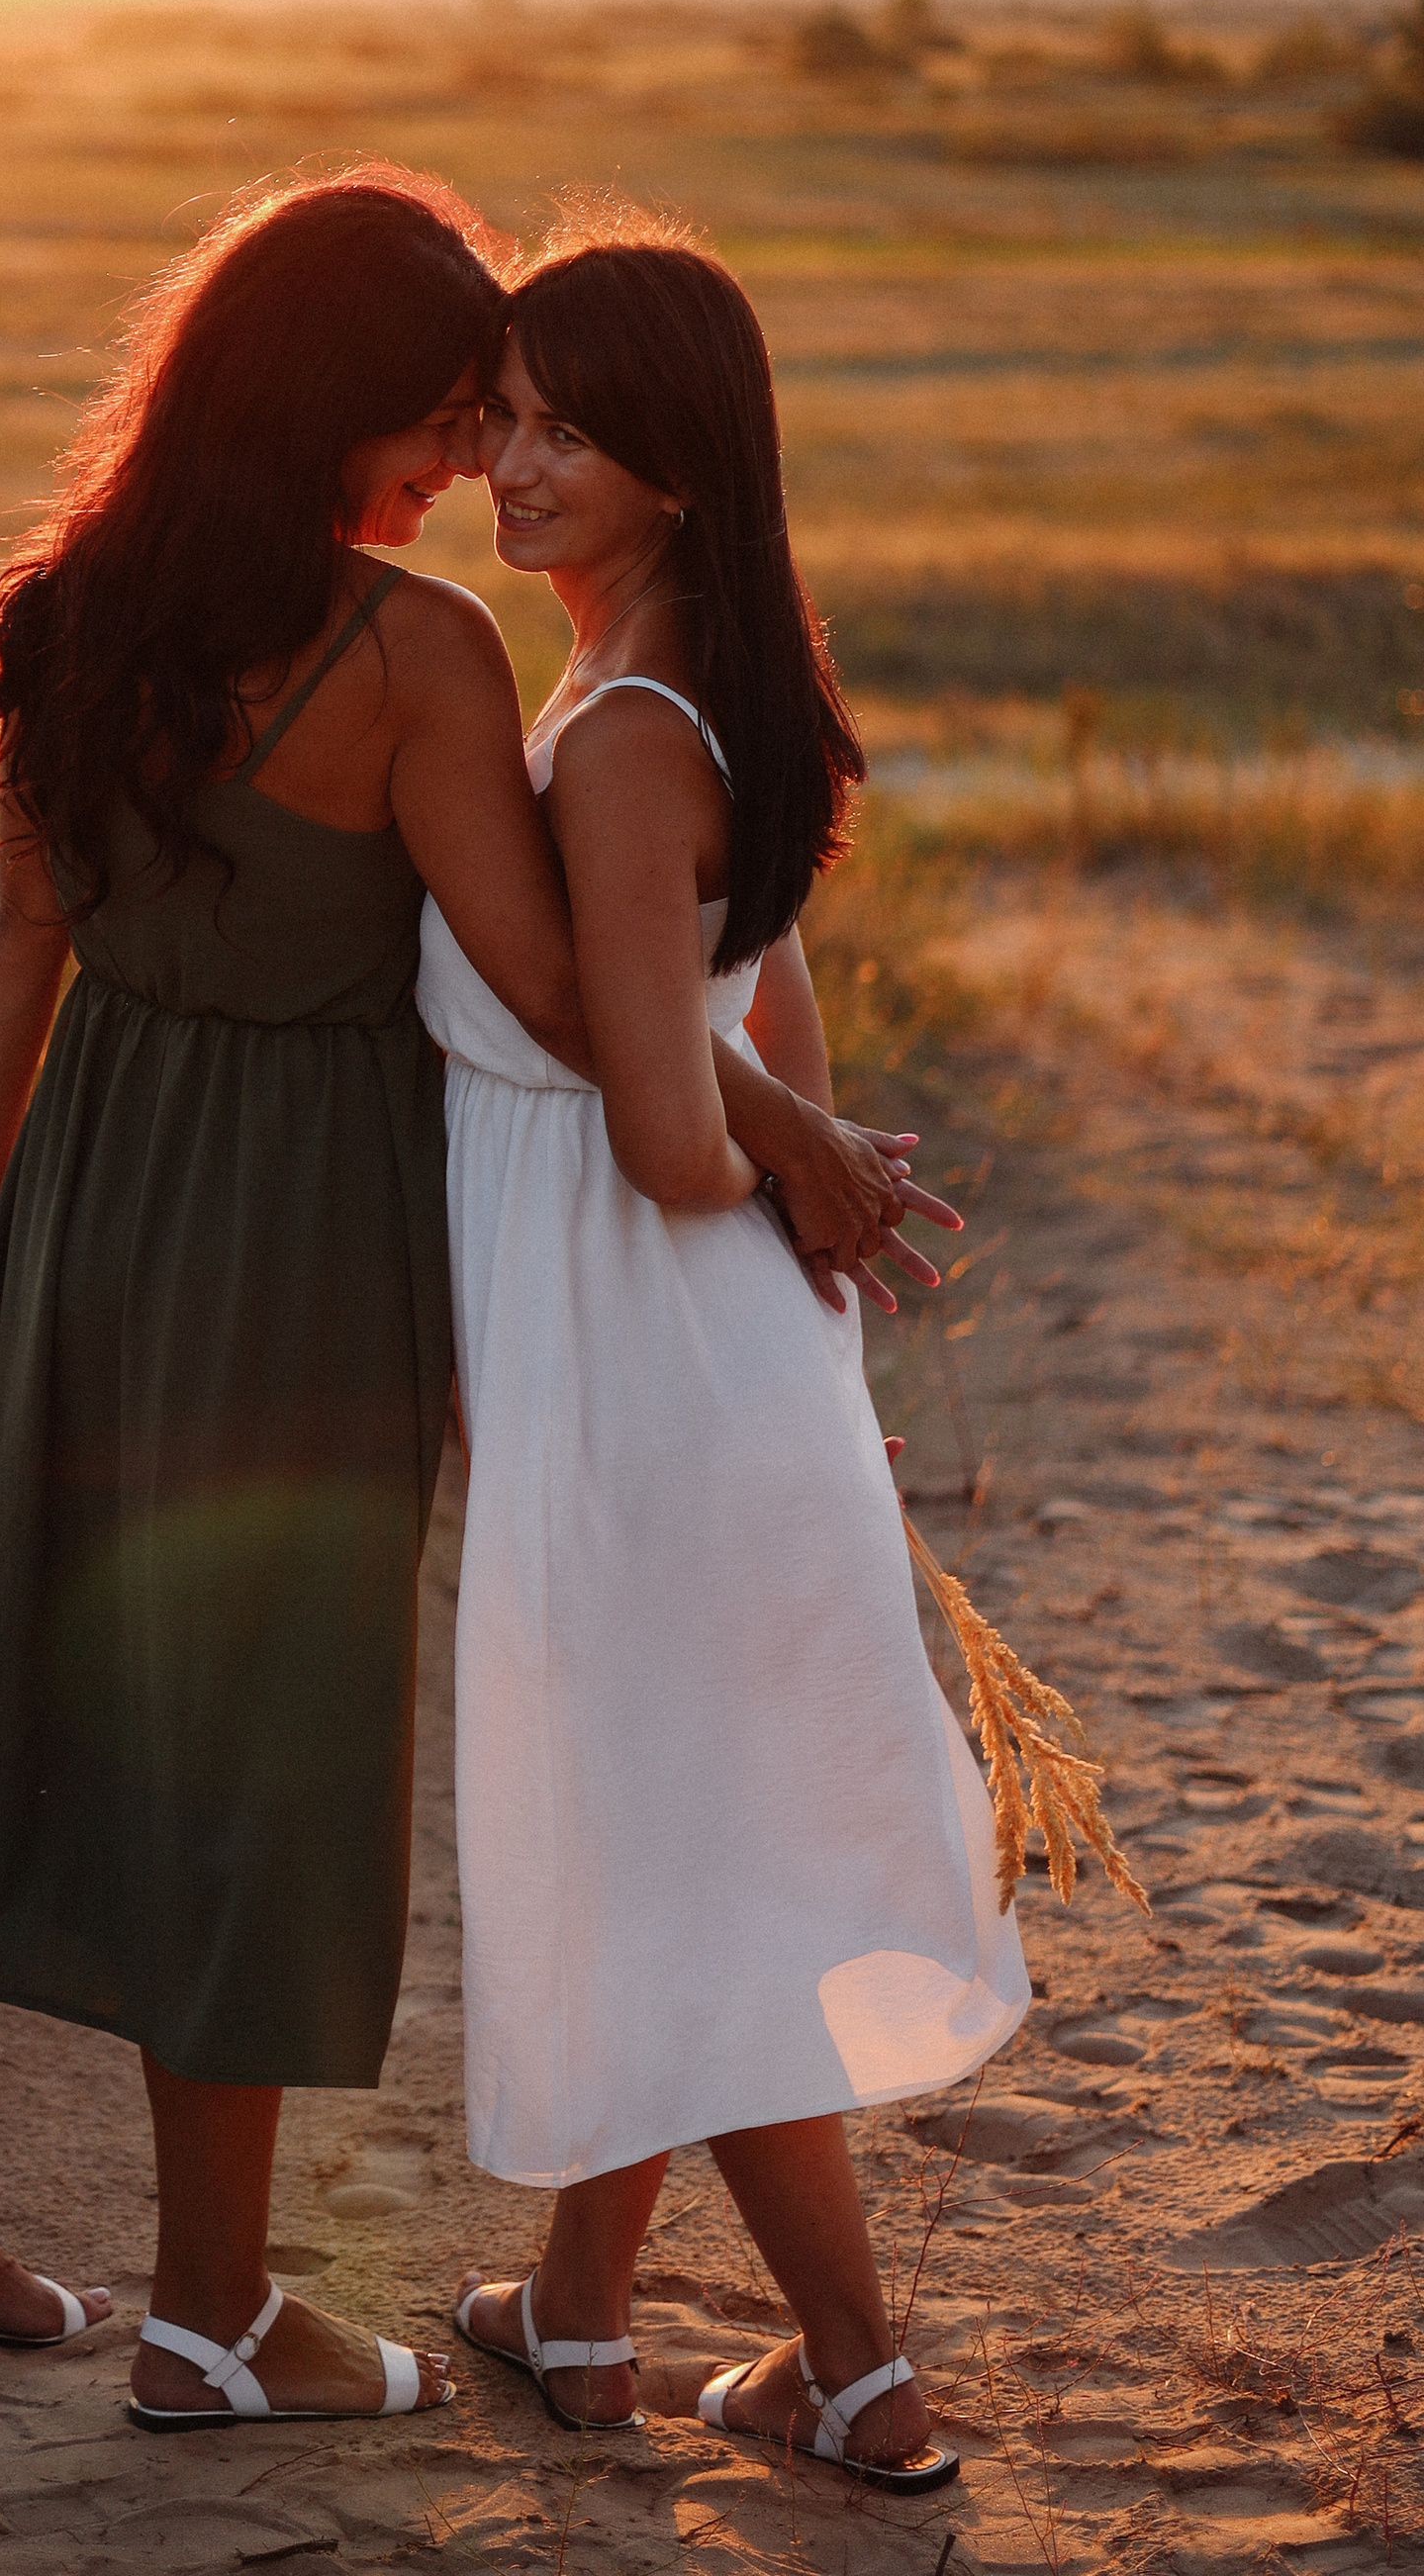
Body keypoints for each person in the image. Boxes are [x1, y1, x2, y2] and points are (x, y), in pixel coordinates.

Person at [0, 173, 951, 2433]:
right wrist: (788, 1133)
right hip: (293, 1241)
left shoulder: (70, 609)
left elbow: (23, 936)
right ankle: (214, 2317)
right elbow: (562, 988)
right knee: (252, 1745)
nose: (458, 463)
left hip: (82, 1208)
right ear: (329, 404)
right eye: (439, 416)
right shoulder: (410, 655)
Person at [422, 231, 1023, 2492]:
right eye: (500, 417)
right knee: (675, 1826)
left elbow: (671, 1139)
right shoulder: (708, 694)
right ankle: (578, 2316)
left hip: (639, 1360)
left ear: (675, 466)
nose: (509, 467)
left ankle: (854, 2373)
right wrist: (807, 1197)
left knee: (692, 1853)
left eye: (563, 432)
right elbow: (771, 1014)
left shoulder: (616, 737)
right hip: (708, 1361)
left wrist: (762, 1174)